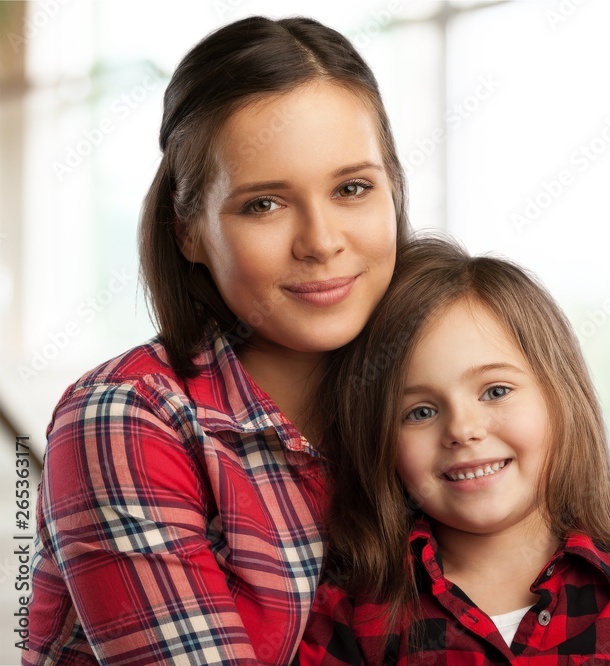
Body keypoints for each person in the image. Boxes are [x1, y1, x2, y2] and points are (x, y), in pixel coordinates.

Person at [25, 16, 408, 665]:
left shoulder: (430, 401)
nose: (320, 240)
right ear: (189, 231)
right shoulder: (127, 416)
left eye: (352, 188)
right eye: (263, 204)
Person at [296, 236, 610, 665]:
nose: (462, 429)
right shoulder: (351, 621)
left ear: (560, 399)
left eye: (495, 391)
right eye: (420, 412)